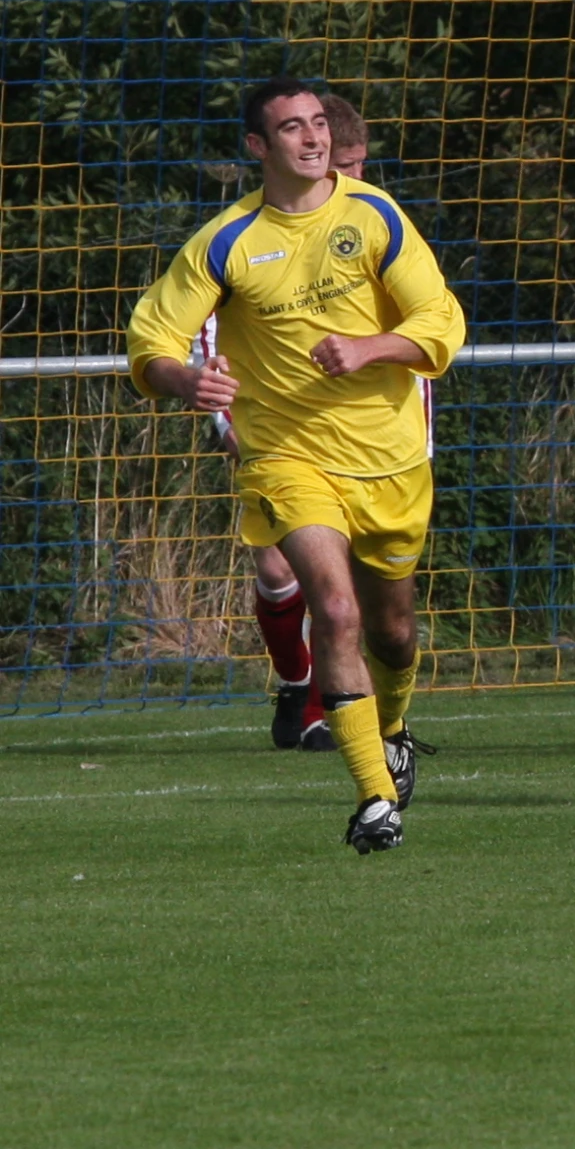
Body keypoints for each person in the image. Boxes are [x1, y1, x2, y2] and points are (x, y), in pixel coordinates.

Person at [128, 76, 465, 853]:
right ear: (258, 146)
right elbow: (151, 341)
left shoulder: (374, 213)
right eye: (292, 128)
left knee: (395, 630)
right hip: (286, 455)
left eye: (319, 124)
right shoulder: (225, 240)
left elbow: (440, 321)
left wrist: (371, 346)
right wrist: (184, 377)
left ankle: (397, 727)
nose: (313, 139)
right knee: (336, 611)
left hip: (388, 455)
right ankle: (375, 799)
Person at [200, 92, 376, 753]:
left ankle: (318, 707)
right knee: (278, 571)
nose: (350, 177)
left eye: (357, 163)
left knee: (342, 582)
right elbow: (204, 326)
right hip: (266, 423)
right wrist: (223, 413)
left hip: (353, 431)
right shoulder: (244, 234)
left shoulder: (373, 225)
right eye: (344, 162)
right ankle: (294, 680)